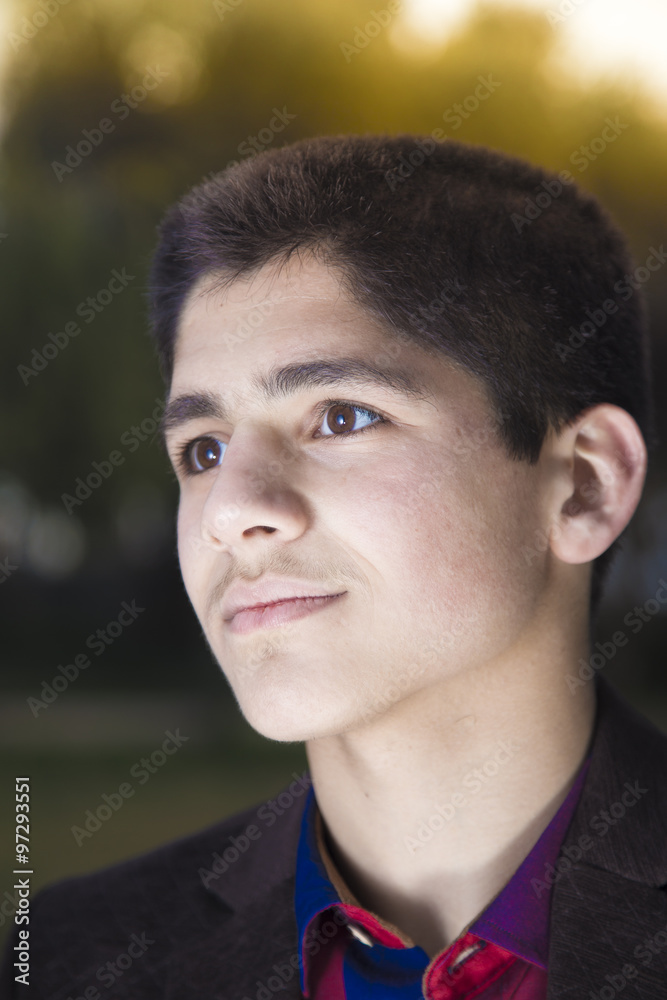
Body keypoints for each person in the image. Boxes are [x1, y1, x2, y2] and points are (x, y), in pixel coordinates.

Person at [4, 134, 667, 998]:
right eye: (203, 450)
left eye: (342, 417)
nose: (230, 511)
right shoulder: (59, 963)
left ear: (583, 485)